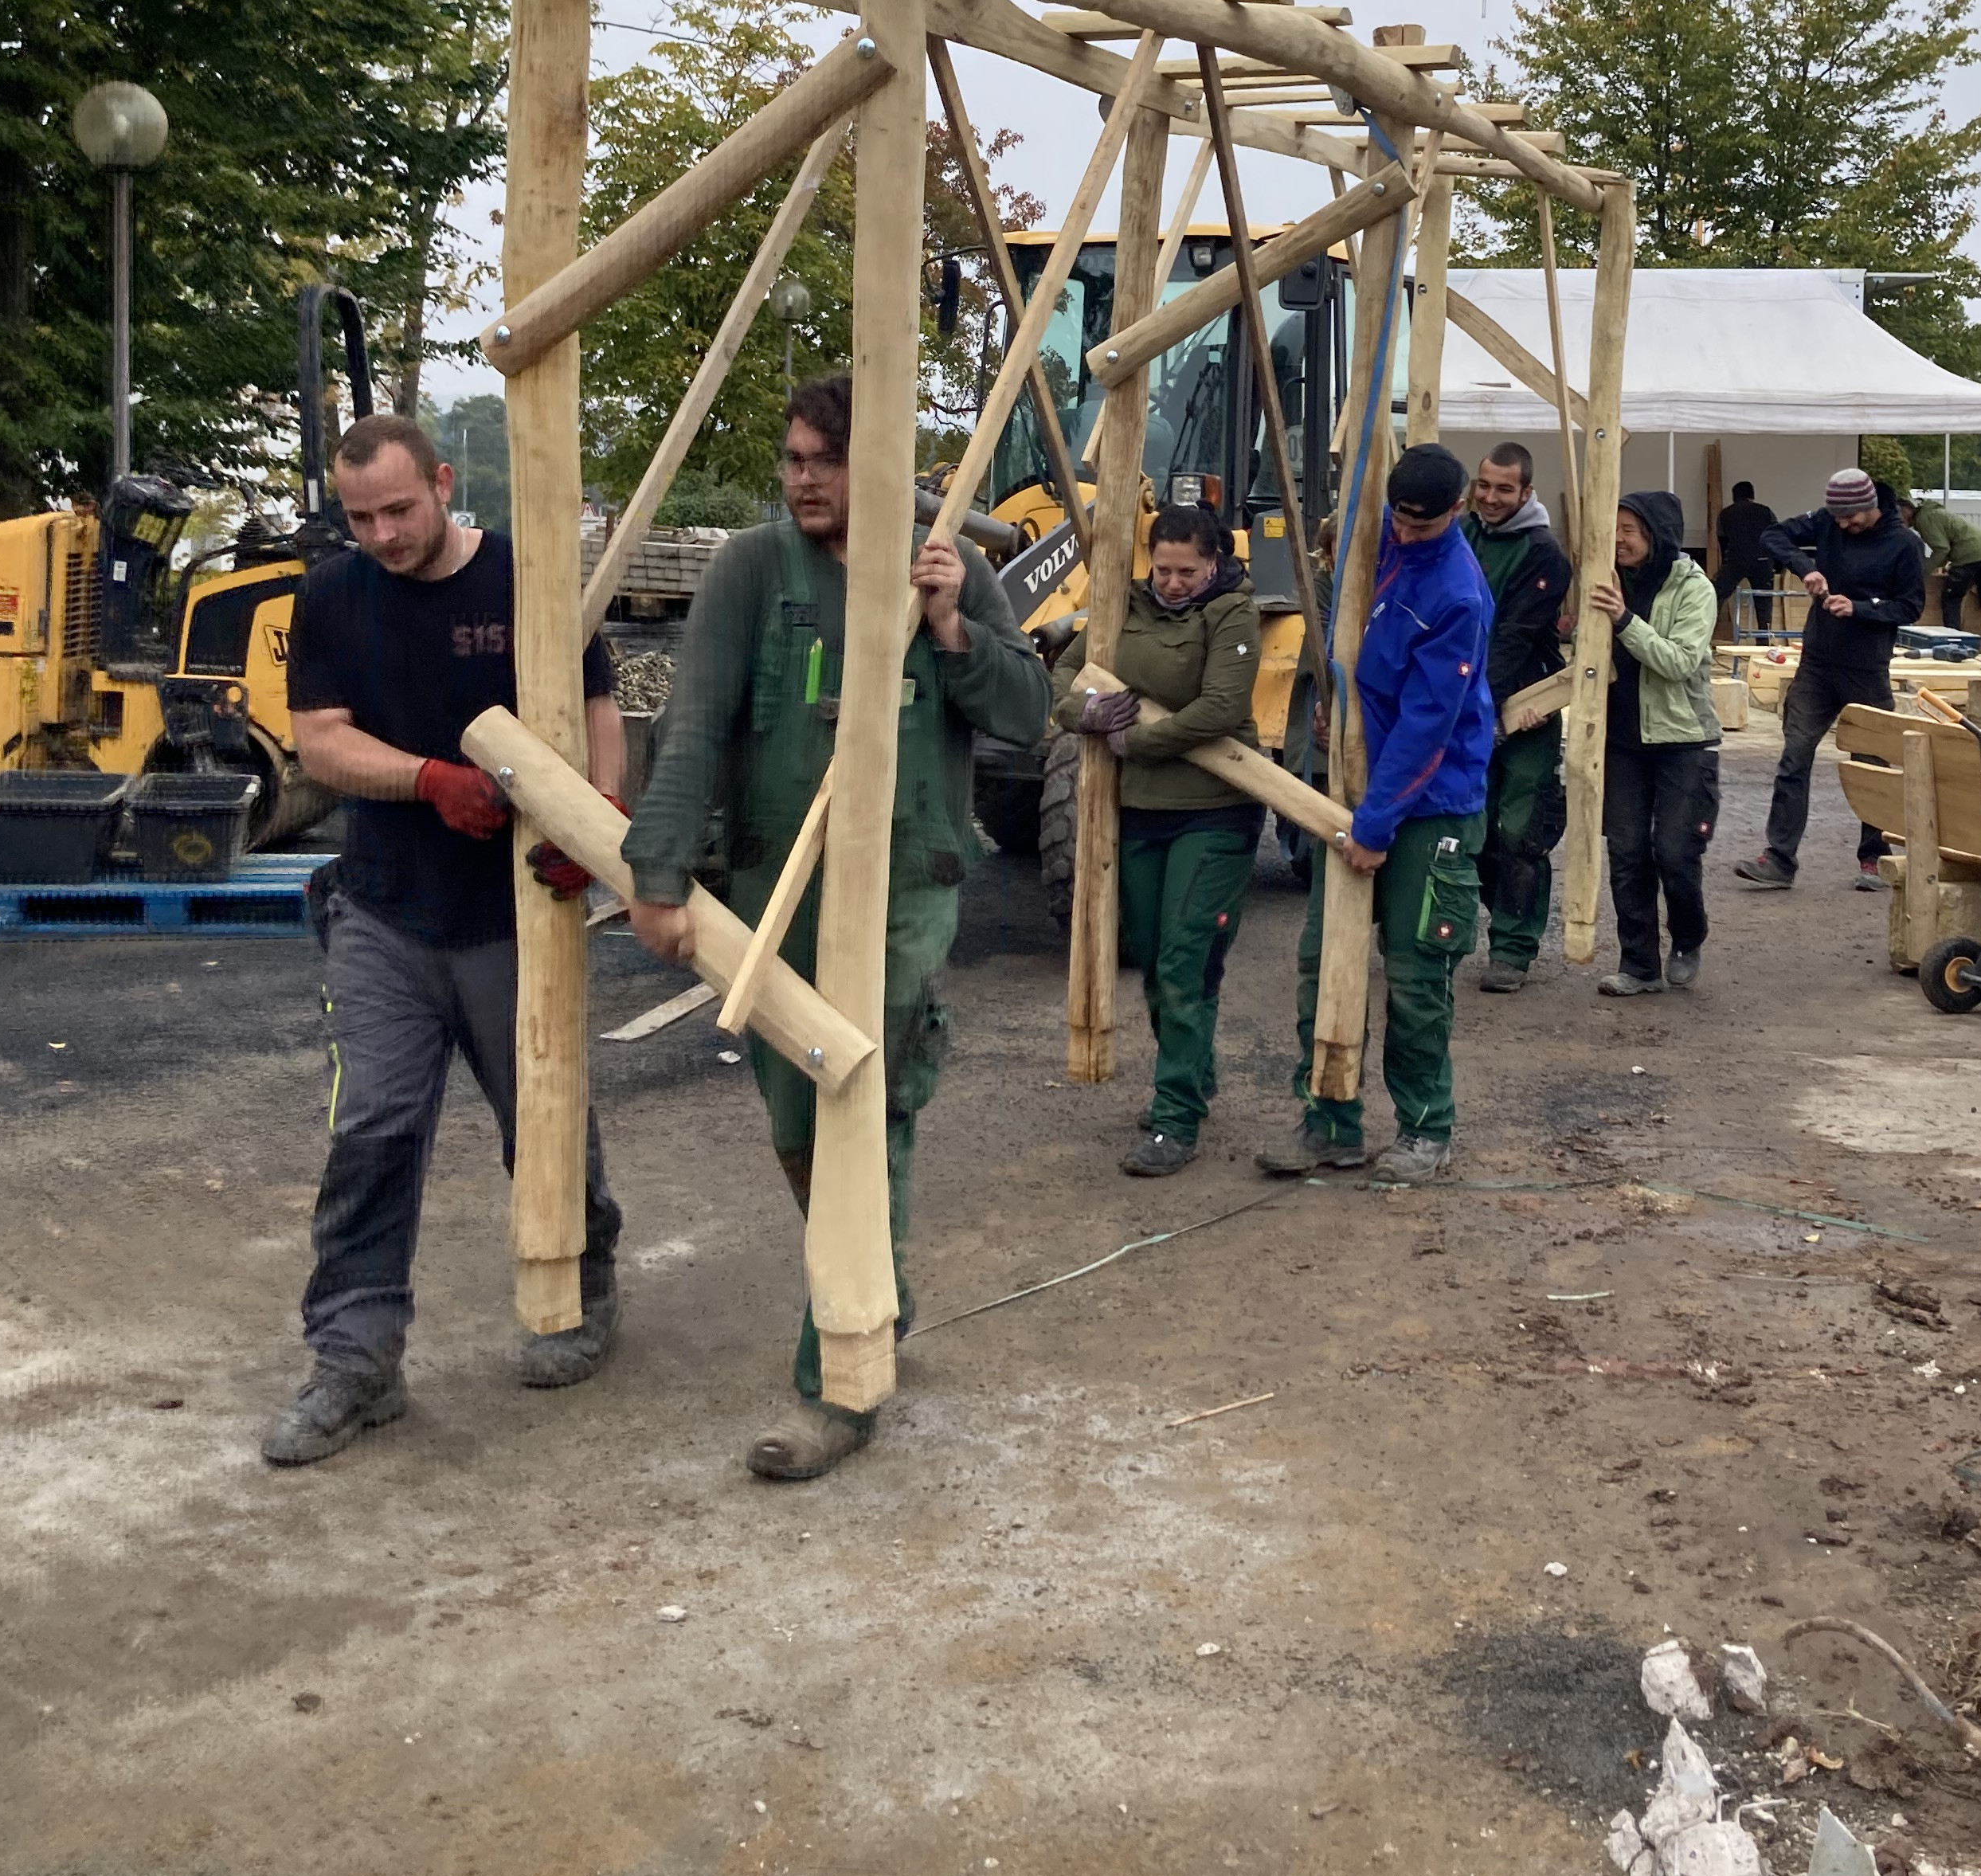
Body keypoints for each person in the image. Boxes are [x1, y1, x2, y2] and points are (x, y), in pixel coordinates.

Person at [621, 376, 1049, 1481]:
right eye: (794, 458)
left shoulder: (951, 569)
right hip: (777, 888)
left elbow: (1025, 715)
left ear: (880, 467)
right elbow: (694, 724)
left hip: (908, 884)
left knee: (862, 1101)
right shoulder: (753, 570)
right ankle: (875, 1285)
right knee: (796, 1121)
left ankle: (838, 1383)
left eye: (826, 460)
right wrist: (658, 872)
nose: (801, 478)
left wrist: (951, 626)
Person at [262, 413, 626, 1468]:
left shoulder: (523, 580)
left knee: (545, 1121)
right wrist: (429, 780)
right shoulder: (333, 596)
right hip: (383, 914)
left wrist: (594, 825)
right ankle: (355, 1362)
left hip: (516, 914)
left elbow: (597, 708)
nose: (382, 534)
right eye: (360, 517)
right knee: (370, 1133)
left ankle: (581, 1295)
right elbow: (320, 743)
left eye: (399, 509)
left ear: (442, 483)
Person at [1262, 441, 1493, 1188]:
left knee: (1418, 972)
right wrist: (1338, 706)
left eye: (1423, 525)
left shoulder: (1457, 594)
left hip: (1428, 804)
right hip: (1356, 787)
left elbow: (1429, 725)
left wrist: (1376, 825)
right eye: (1400, 518)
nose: (1408, 532)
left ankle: (1426, 1127)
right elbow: (1352, 642)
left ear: (1456, 511)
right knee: (1322, 960)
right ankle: (1329, 1118)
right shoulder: (1377, 544)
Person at [1052, 503, 1263, 1178]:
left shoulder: (1232, 613)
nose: (1171, 583)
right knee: (1149, 955)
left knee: (1183, 961)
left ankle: (1176, 1116)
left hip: (1214, 812)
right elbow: (1064, 677)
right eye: (1162, 570)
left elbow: (1221, 707)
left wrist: (1135, 741)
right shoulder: (1124, 607)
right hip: (1139, 811)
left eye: (1186, 572)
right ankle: (1193, 1074)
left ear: (1213, 563)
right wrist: (1086, 712)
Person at [1734, 465, 1927, 893]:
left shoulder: (1905, 545)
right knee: (1794, 757)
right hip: (1817, 664)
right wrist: (1806, 569)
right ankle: (1779, 859)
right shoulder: (1828, 521)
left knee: (1871, 765)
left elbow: (1910, 606)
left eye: (1850, 517)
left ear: (1870, 506)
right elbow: (1772, 535)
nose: (1842, 525)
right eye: (1837, 518)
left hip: (1866, 668)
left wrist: (1860, 609)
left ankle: (1874, 858)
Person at [1587, 492, 1721, 996]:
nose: (1619, 540)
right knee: (1626, 853)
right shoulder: (1607, 581)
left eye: (1630, 530)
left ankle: (1687, 938)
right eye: (1615, 529)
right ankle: (1639, 965)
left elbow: (1679, 662)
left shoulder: (1694, 589)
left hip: (1682, 740)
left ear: (1657, 534)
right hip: (1622, 741)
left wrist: (1624, 620)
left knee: (1675, 852)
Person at [1462, 444, 1575, 992]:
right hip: (1467, 701)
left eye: (1504, 489)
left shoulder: (1544, 553)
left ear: (1526, 492)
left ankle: (1512, 947)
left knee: (1520, 831)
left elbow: (1515, 636)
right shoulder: (1463, 533)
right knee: (1471, 826)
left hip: (1526, 702)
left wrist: (1489, 711)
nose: (1490, 497)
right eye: (1484, 485)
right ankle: (1484, 920)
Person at [1905, 495, 1981, 656]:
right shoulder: (1934, 513)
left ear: (1908, 509)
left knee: (1951, 599)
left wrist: (1922, 572)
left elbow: (1941, 549)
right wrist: (1938, 564)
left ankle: (1954, 645)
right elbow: (1945, 548)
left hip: (1968, 556)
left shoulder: (1924, 519)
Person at [1713, 479, 1780, 636]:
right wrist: (1775, 563)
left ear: (1734, 497)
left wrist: (1726, 565)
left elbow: (1723, 542)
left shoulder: (1724, 514)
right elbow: (1776, 537)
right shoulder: (1766, 512)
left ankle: (1706, 636)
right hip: (1763, 561)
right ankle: (1764, 641)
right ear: (1752, 495)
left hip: (1735, 561)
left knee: (1715, 595)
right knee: (1764, 603)